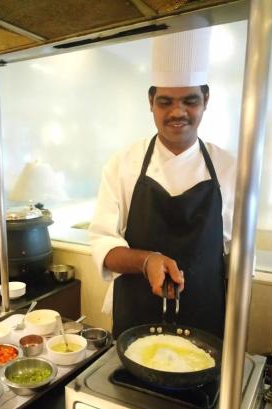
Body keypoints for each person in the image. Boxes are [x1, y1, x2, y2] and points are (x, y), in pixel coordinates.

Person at [89, 27, 236, 338]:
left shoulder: (230, 167)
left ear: (206, 100)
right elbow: (103, 244)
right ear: (151, 101)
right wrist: (146, 261)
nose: (177, 112)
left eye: (190, 101)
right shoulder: (123, 163)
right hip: (136, 318)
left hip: (205, 322)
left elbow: (239, 256)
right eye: (166, 101)